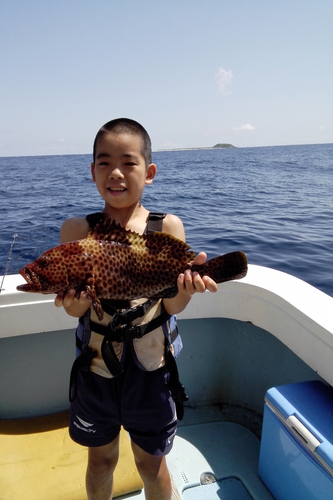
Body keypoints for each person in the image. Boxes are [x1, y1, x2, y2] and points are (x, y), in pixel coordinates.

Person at [55, 118, 217, 500]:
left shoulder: (167, 227)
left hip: (151, 371)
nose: (116, 172)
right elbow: (75, 311)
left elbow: (171, 304)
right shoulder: (78, 230)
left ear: (150, 172)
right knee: (100, 462)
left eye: (129, 162)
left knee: (151, 465)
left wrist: (188, 289)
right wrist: (74, 302)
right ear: (92, 171)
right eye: (104, 162)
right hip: (96, 369)